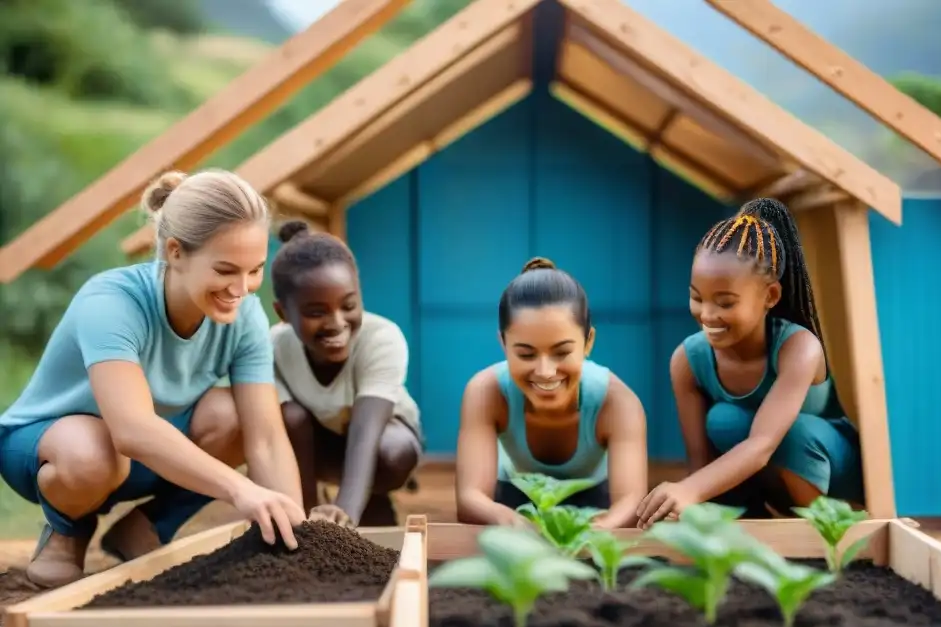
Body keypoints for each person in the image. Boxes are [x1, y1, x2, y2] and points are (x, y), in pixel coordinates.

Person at [0, 169, 306, 588]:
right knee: (93, 452)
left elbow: (266, 439)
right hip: (52, 448)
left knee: (235, 417)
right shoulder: (111, 302)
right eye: (225, 270)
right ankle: (67, 531)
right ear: (176, 252)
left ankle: (148, 526)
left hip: (142, 453)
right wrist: (240, 490)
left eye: (254, 270)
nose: (242, 288)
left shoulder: (245, 315)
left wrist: (301, 538)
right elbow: (131, 430)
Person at [637, 197, 863, 528]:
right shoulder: (688, 359)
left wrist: (687, 489)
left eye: (725, 303)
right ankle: (754, 516)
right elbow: (701, 462)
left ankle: (822, 526)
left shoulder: (799, 347)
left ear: (770, 296)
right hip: (765, 474)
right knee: (723, 420)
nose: (707, 315)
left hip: (830, 467)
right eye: (697, 298)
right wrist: (690, 508)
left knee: (794, 432)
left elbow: (762, 444)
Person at [456, 257, 648, 528]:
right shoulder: (485, 392)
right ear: (503, 343)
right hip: (513, 499)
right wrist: (511, 522)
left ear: (588, 342)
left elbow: (631, 501)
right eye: (525, 353)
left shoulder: (616, 402)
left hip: (593, 504)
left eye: (561, 352)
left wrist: (592, 534)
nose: (545, 371)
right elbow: (470, 498)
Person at [270, 221, 423, 528]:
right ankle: (306, 510)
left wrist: (345, 512)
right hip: (318, 443)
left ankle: (370, 498)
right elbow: (290, 428)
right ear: (283, 313)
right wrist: (306, 521)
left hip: (381, 440)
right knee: (290, 417)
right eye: (316, 312)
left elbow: (367, 432)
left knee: (389, 454)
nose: (337, 323)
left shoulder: (382, 338)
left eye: (349, 305)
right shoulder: (272, 346)